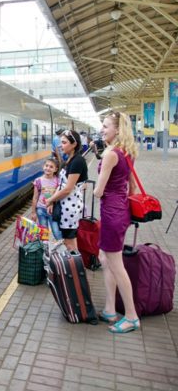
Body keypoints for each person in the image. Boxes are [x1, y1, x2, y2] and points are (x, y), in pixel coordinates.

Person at [93, 111, 140, 333]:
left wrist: (91, 189)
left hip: (111, 214)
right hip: (120, 212)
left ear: (117, 130)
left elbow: (98, 191)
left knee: (117, 265)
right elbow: (133, 187)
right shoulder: (127, 153)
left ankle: (131, 316)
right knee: (105, 258)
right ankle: (110, 309)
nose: (102, 130)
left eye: (105, 126)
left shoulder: (111, 155)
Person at [45, 130, 88, 252]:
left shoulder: (77, 161)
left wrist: (50, 200)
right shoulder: (70, 159)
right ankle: (74, 262)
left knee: (70, 244)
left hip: (70, 209)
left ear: (74, 144)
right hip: (65, 207)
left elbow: (67, 189)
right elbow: (61, 185)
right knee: (68, 241)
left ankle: (75, 263)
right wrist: (53, 201)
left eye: (64, 143)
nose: (60, 145)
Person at [30, 157, 62, 240]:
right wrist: (33, 212)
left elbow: (60, 195)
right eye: (46, 165)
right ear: (43, 166)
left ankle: (62, 246)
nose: (48, 168)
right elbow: (35, 197)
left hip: (53, 211)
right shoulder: (38, 181)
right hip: (41, 210)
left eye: (51, 167)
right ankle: (45, 246)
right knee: (44, 233)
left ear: (55, 169)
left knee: (57, 232)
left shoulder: (58, 181)